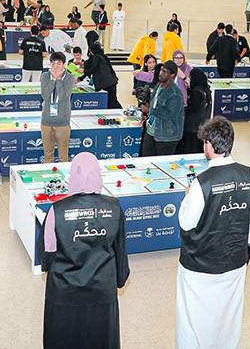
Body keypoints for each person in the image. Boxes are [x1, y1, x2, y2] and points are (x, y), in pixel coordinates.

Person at [176, 116, 250, 349]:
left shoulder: (201, 183)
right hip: (234, 261)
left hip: (200, 265)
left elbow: (186, 223)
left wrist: (186, 198)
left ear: (209, 146)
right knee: (228, 316)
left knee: (192, 320)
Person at [41, 152, 129, 349]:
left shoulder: (57, 210)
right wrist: (120, 279)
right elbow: (120, 251)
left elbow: (47, 257)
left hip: (64, 292)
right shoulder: (114, 207)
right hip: (102, 290)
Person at [141, 61, 183, 156]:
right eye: (161, 70)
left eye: (165, 72)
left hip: (166, 136)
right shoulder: (158, 86)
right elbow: (154, 104)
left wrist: (150, 110)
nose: (161, 73)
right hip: (151, 131)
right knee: (146, 161)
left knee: (161, 166)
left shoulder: (175, 93)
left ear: (172, 75)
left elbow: (171, 114)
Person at [40, 52, 74, 164]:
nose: (55, 66)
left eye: (58, 64)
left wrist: (58, 79)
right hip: (46, 121)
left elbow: (64, 96)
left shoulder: (69, 77)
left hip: (62, 122)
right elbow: (45, 96)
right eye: (53, 63)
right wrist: (53, 80)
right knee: (47, 156)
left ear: (64, 64)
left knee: (63, 156)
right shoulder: (45, 76)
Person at [80, 34, 121, 109]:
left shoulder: (97, 57)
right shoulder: (101, 54)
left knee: (112, 101)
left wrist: (83, 71)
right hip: (111, 81)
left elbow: (93, 69)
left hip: (106, 82)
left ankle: (119, 113)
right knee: (112, 100)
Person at [177, 68, 211, 154]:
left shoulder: (197, 92)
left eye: (190, 77)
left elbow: (192, 108)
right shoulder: (206, 90)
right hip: (202, 126)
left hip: (192, 128)